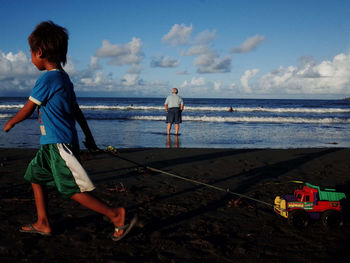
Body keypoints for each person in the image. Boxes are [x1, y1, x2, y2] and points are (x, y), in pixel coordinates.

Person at [3, 21, 136, 241]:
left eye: (30, 53)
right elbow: (77, 111)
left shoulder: (46, 79)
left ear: (40, 52)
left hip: (58, 144)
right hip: (51, 144)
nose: (30, 58)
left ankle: (116, 215)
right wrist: (89, 137)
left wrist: (11, 123)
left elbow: (27, 110)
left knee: (70, 188)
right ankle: (43, 222)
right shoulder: (64, 79)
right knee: (35, 176)